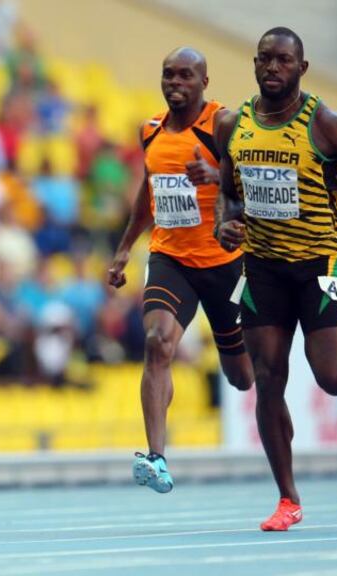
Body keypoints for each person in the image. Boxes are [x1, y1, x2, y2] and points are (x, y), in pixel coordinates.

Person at [216, 27, 337, 531]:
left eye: (283, 61)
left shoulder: (326, 125)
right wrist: (224, 223)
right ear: (254, 64)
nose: (273, 68)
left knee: (334, 380)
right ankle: (287, 499)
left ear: (302, 68)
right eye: (264, 59)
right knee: (268, 380)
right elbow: (227, 191)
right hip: (263, 269)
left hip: (318, 268)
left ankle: (290, 492)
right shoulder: (234, 124)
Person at [108, 48, 254, 495]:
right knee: (157, 342)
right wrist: (123, 248)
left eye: (185, 75)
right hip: (171, 259)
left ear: (204, 82)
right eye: (168, 74)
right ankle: (156, 457)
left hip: (225, 265)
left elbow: (253, 179)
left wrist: (214, 174)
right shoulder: (149, 130)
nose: (175, 82)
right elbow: (149, 191)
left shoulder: (222, 123)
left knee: (241, 376)